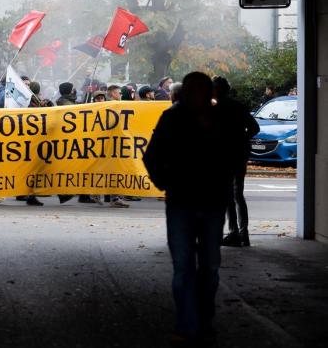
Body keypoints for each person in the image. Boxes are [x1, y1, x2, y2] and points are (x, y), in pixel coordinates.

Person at [143, 72, 234, 345]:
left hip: (209, 201)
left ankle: (202, 320)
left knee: (209, 267)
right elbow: (153, 156)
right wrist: (167, 183)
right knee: (185, 267)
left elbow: (232, 152)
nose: (197, 96)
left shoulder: (220, 119)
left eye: (201, 91)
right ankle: (189, 325)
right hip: (184, 201)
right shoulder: (172, 118)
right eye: (192, 91)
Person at [213, 76, 260, 247]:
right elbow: (255, 127)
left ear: (216, 90)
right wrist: (241, 138)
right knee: (238, 194)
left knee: (226, 195)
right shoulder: (238, 106)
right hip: (240, 153)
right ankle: (243, 234)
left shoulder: (214, 108)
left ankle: (233, 233)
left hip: (222, 156)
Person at [104, 85, 131, 208]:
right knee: (115, 171)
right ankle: (115, 198)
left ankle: (115, 196)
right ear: (113, 94)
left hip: (117, 144)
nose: (121, 95)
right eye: (119, 93)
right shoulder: (110, 106)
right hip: (112, 145)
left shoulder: (115, 106)